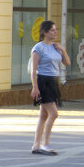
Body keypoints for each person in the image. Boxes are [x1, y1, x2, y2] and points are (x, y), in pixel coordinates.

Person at [29, 20, 70, 155]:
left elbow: (67, 63)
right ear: (45, 32)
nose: (55, 32)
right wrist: (35, 87)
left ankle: (36, 145)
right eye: (52, 30)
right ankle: (45, 144)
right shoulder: (38, 48)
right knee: (54, 113)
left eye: (56, 29)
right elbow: (34, 69)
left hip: (53, 81)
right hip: (43, 81)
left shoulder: (55, 47)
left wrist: (62, 50)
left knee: (43, 115)